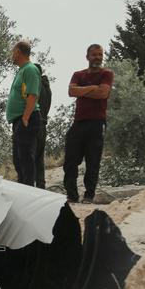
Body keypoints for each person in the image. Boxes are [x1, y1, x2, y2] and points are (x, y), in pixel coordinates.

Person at [63, 44, 113, 203]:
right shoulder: (78, 74)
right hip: (78, 123)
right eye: (94, 55)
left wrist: (82, 90)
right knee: (70, 160)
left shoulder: (107, 74)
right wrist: (92, 87)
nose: (97, 57)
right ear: (87, 57)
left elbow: (103, 93)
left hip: (97, 123)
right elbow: (71, 91)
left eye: (100, 54)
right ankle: (72, 195)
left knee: (93, 161)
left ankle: (89, 195)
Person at [5, 40, 44, 187]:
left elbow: (33, 95)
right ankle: (23, 187)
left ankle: (28, 189)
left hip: (27, 119)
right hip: (19, 120)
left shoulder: (30, 69)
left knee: (26, 158)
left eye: (13, 51)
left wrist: (26, 118)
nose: (11, 55)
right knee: (18, 160)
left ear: (18, 52)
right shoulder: (22, 70)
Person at [33, 63, 53, 189]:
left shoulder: (36, 86)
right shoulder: (47, 87)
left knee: (27, 158)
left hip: (33, 123)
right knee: (39, 159)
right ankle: (41, 187)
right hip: (43, 124)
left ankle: (26, 188)